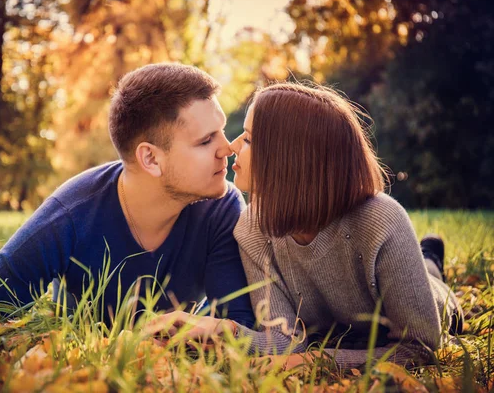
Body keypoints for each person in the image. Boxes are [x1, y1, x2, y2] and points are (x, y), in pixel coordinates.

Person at [148, 82, 463, 370]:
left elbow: (419, 348)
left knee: (431, 279)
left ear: (290, 157)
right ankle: (428, 258)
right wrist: (219, 330)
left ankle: (431, 263)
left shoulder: (381, 221)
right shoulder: (252, 227)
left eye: (250, 138)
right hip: (344, 327)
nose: (232, 146)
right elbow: (284, 341)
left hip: (434, 306)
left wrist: (314, 361)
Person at [0, 63, 255, 328]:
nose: (227, 148)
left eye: (220, 132)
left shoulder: (222, 209)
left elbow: (237, 325)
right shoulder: (72, 214)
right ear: (151, 159)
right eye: (206, 140)